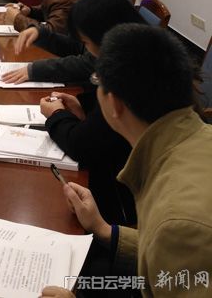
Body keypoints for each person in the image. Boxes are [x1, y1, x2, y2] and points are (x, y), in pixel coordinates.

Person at [42, 23, 212, 297]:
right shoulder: (196, 139)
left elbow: (175, 240)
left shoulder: (178, 222)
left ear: (114, 104)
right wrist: (104, 229)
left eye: (97, 82)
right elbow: (168, 259)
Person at [39, 0, 145, 226]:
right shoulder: (144, 55)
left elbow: (83, 145)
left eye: (86, 42)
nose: (87, 51)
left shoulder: (124, 80)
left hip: (124, 204)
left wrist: (56, 114)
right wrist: (83, 106)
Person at [1, 0, 110, 85]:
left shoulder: (110, 7)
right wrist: (40, 33)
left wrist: (35, 70)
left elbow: (90, 64)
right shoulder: (96, 2)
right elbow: (77, 47)